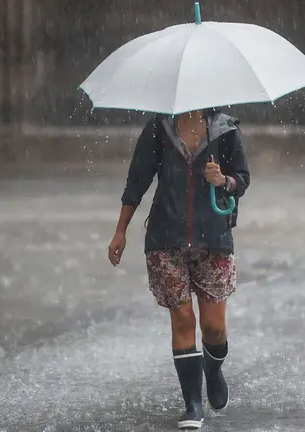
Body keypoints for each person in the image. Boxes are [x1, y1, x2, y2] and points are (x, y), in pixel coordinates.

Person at [107, 108, 250, 430]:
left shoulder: (225, 130)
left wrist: (224, 180)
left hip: (212, 237)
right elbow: (137, 180)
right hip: (165, 237)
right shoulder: (159, 129)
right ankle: (192, 404)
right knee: (183, 319)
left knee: (213, 327)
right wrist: (121, 231)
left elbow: (242, 178)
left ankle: (212, 371)